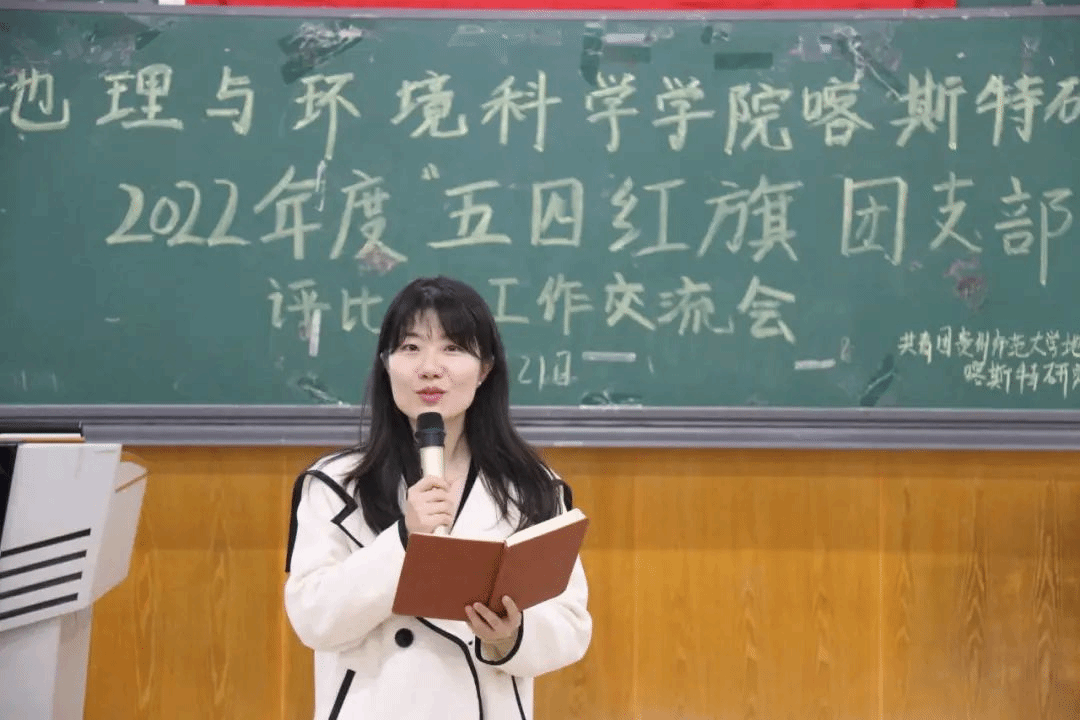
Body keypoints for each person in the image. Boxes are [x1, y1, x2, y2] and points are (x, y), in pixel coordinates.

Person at [284, 275, 592, 720]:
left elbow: (571, 626)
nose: (430, 368)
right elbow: (314, 620)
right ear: (386, 363)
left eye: (452, 348)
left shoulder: (533, 489)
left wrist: (510, 634)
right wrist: (403, 540)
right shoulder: (334, 484)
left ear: (484, 369)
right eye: (410, 347)